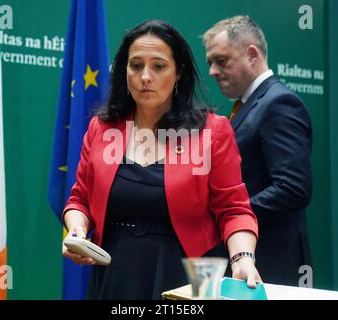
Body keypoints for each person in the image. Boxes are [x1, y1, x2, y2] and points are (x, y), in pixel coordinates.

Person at [61, 19, 261, 300]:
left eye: (158, 66)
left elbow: (234, 210)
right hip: (114, 276)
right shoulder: (101, 128)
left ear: (178, 72)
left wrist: (242, 258)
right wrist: (78, 231)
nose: (145, 76)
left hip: (185, 279)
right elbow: (79, 199)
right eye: (136, 65)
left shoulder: (211, 130)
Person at [203, 16, 312, 286]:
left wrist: (231, 217)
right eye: (210, 63)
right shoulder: (248, 105)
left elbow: (293, 188)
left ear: (251, 54)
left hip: (271, 261)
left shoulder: (280, 103)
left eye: (221, 60)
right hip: (247, 258)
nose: (212, 71)